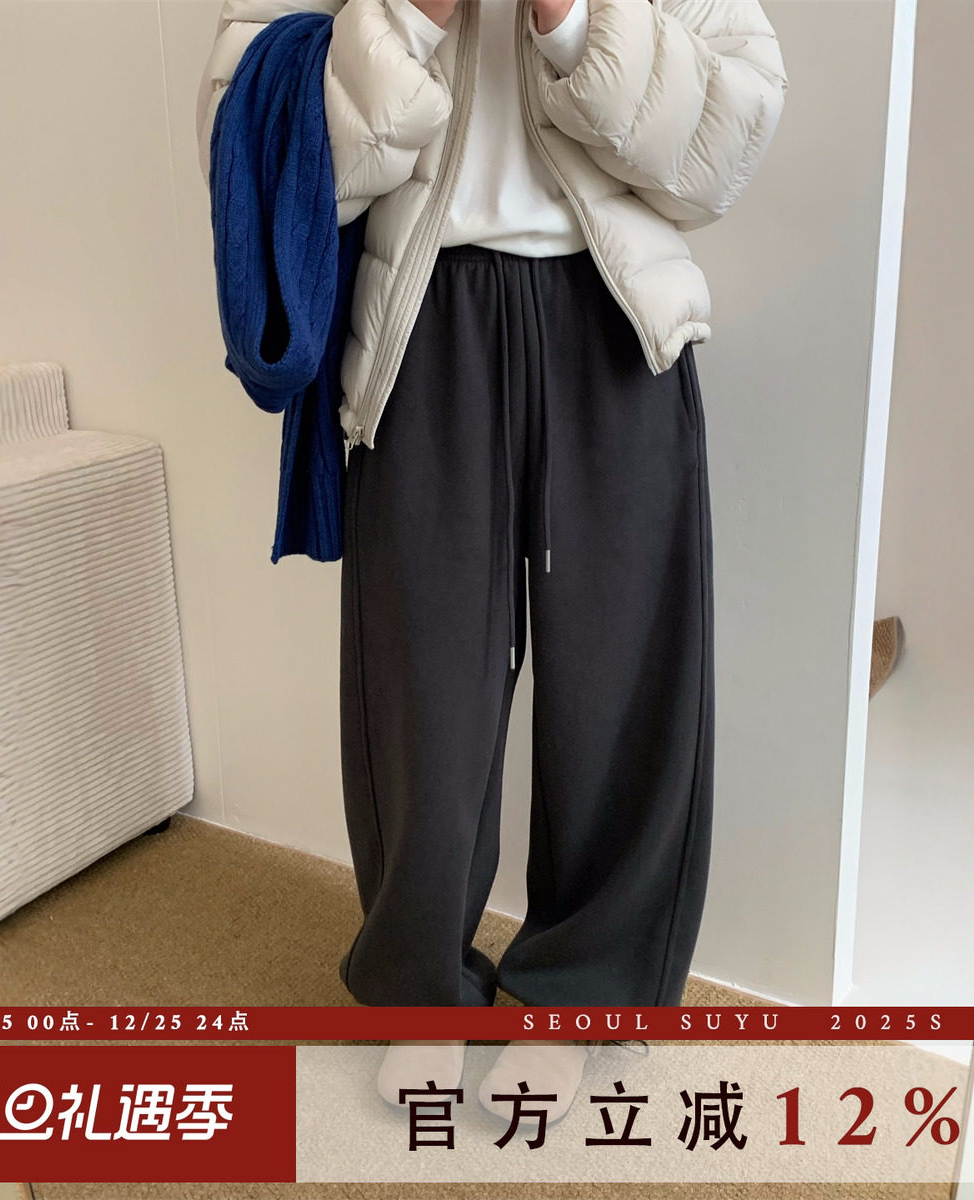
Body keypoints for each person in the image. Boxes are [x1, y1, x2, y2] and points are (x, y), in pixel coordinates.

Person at [198, 0, 787, 1123]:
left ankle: (584, 993)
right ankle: (420, 988)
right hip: (421, 318)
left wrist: (573, 20)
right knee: (421, 685)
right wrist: (411, 15)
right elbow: (254, 139)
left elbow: (724, 150)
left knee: (620, 679)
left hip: (615, 319)